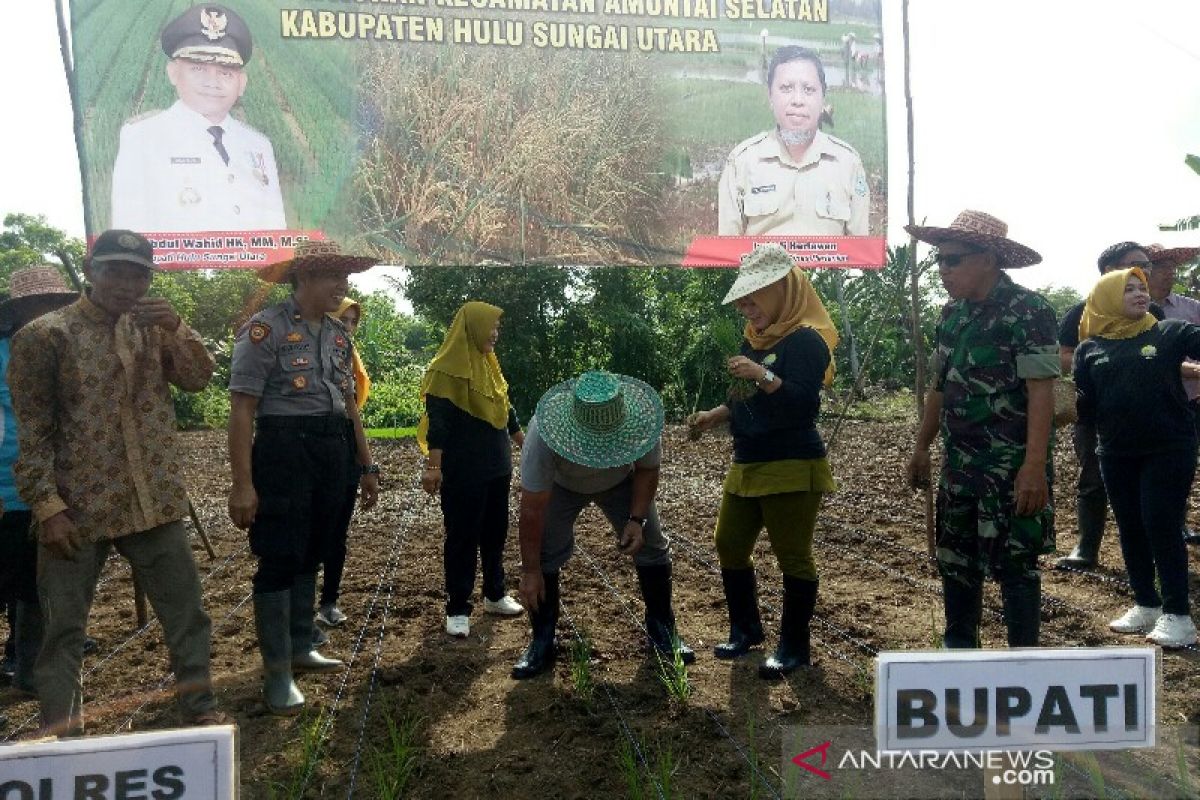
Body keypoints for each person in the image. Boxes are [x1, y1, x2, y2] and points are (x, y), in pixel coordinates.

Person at [9, 230, 226, 735]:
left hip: (153, 501)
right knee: (62, 629)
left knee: (187, 615)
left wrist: (177, 326)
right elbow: (34, 431)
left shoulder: (153, 328)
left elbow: (198, 377)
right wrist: (47, 506)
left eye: (138, 273)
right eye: (115, 270)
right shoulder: (45, 336)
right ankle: (64, 733)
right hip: (77, 509)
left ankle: (198, 709)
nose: (126, 283)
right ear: (90, 271)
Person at [227, 239, 381, 715]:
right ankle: (277, 674)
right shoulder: (264, 329)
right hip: (283, 452)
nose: (343, 286)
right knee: (280, 555)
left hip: (333, 451)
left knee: (316, 548)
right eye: (334, 276)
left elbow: (349, 402)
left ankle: (300, 643)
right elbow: (242, 409)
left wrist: (366, 463)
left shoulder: (339, 333)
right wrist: (243, 483)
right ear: (304, 278)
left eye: (346, 277)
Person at [905, 210, 1058, 651]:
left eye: (953, 260)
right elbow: (940, 386)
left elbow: (1041, 392)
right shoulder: (952, 315)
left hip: (1008, 472)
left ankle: (1023, 665)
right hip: (960, 468)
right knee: (955, 565)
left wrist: (1033, 467)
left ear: (988, 259)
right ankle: (958, 663)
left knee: (1016, 569)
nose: (943, 270)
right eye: (939, 260)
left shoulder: (1028, 312)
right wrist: (921, 448)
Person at [688, 244, 839, 679]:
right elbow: (742, 400)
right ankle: (746, 629)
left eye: (754, 299)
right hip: (748, 460)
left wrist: (763, 375)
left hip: (792, 462)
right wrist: (712, 417)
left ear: (779, 293)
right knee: (729, 543)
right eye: (743, 300)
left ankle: (794, 646)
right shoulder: (754, 341)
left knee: (792, 555)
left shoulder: (807, 340)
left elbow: (803, 404)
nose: (746, 308)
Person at [512, 371, 694, 679]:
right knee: (544, 553)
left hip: (621, 480)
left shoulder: (641, 424)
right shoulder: (543, 437)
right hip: (562, 485)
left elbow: (648, 470)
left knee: (651, 543)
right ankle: (542, 639)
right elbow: (531, 510)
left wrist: (637, 519)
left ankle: (663, 628)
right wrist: (530, 570)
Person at [1074, 267, 1200, 647]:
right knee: (1130, 527)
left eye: (1141, 288)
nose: (1138, 294)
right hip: (1115, 452)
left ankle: (1178, 614)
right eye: (1128, 289)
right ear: (1107, 297)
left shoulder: (1170, 333)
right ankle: (1146, 603)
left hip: (1169, 448)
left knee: (1160, 524)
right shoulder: (1090, 349)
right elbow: (1087, 404)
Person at [111, 4, 286, 233]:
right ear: (173, 73)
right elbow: (129, 228)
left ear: (241, 83)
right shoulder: (143, 137)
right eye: (198, 69)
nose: (212, 82)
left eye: (225, 72)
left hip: (248, 270)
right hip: (174, 269)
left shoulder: (259, 145)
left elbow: (275, 231)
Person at [417, 302, 525, 638]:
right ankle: (457, 608)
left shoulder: (489, 365)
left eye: (497, 329)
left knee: (495, 532)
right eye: (490, 327)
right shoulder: (444, 370)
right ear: (472, 327)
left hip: (497, 464)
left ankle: (495, 594)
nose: (494, 334)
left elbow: (506, 411)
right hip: (463, 468)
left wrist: (526, 444)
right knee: (463, 535)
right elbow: (439, 424)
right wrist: (434, 466)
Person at [1054, 243, 1165, 570]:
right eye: (1136, 265)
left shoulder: (1153, 314)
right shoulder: (1079, 313)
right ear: (1109, 271)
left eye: (1146, 266)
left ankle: (1156, 551)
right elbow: (1063, 357)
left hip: (1146, 412)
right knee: (1092, 478)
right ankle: (1087, 547)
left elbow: (1162, 354)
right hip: (1094, 414)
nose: (1145, 271)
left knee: (1149, 481)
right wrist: (1103, 360)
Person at [0, 267, 79, 697]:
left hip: (53, 490)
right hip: (6, 488)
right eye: (37, 306)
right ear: (20, 310)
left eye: (54, 305)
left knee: (35, 585)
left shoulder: (69, 350)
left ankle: (27, 669)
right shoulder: (2, 353)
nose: (46, 313)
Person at [717, 46, 869, 237]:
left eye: (808, 89)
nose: (798, 100)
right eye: (786, 88)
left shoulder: (849, 163)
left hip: (830, 268)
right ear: (770, 96)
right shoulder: (741, 163)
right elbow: (727, 257)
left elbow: (861, 256)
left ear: (823, 98)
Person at [314, 298, 373, 632]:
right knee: (310, 533)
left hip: (344, 451)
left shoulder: (348, 362)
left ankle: (329, 602)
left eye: (353, 322)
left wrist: (366, 466)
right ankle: (301, 612)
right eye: (343, 320)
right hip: (312, 452)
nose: (348, 327)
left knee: (337, 533)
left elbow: (354, 415)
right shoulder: (311, 358)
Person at [1144, 244, 1200, 546]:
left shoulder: (1190, 309)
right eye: (1161, 267)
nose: (1169, 273)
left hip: (1189, 402)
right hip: (1148, 406)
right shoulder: (1129, 311)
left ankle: (1177, 524)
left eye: (1171, 267)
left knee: (1183, 467)